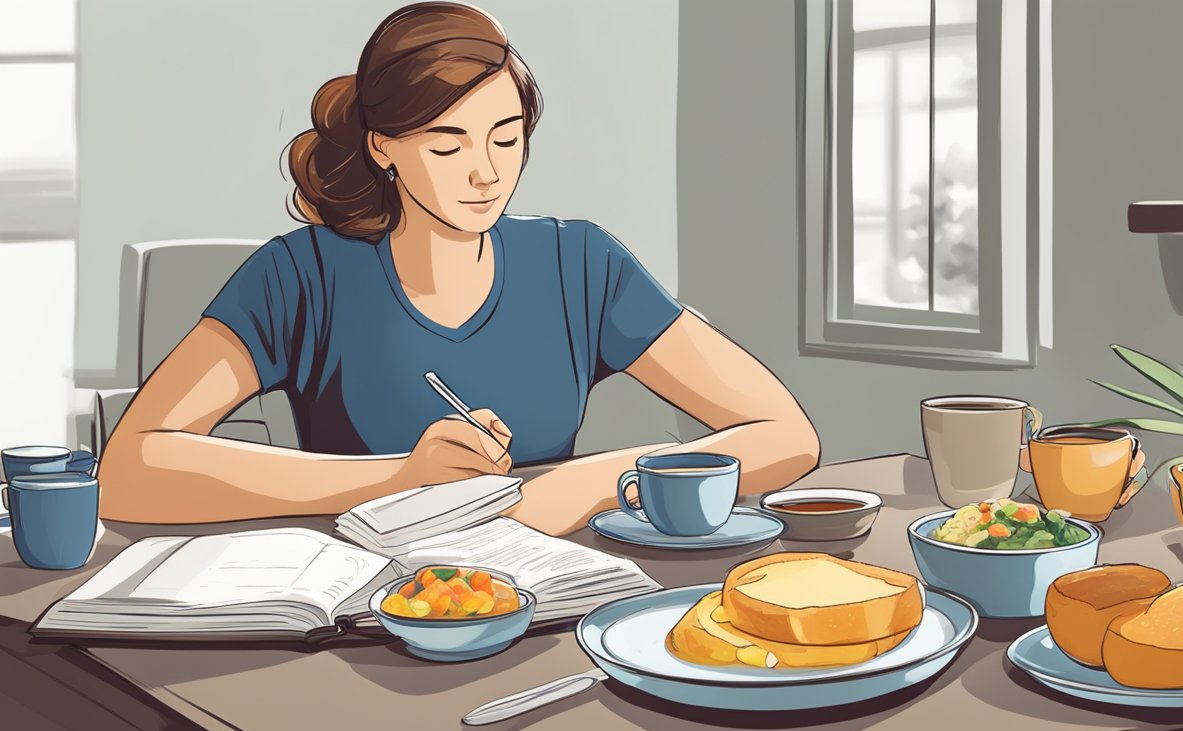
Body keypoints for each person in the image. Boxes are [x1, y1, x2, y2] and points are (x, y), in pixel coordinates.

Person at [99, 2, 819, 535]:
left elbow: (785, 434)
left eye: (506, 140)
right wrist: (398, 479)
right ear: (384, 146)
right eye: (447, 146)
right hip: (368, 607)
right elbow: (129, 470)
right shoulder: (302, 274)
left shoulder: (579, 262)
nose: (485, 174)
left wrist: (600, 481)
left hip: (540, 589)